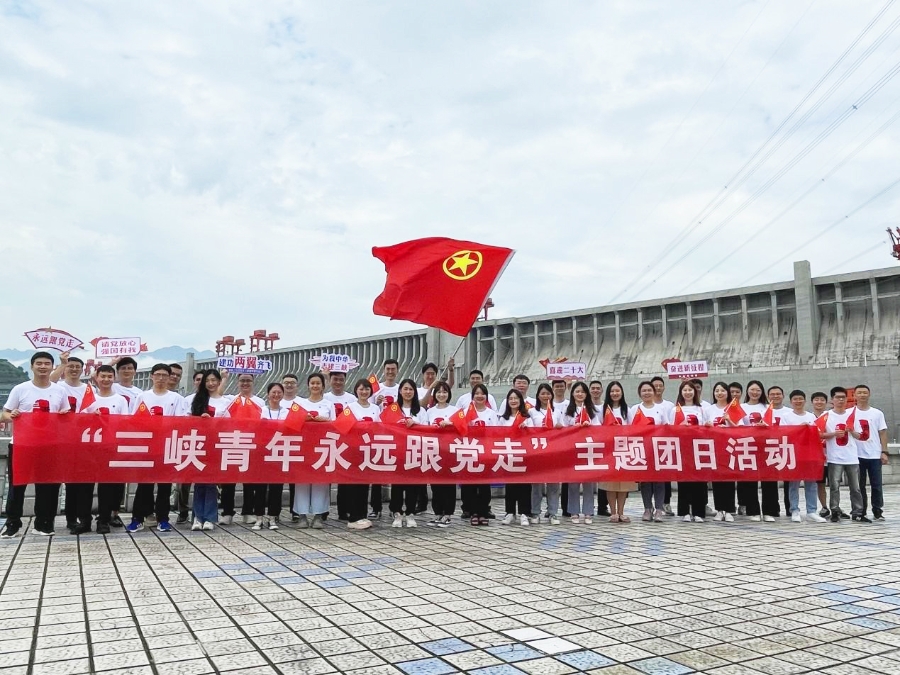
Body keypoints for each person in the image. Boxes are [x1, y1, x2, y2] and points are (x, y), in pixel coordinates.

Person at [0, 352, 71, 538]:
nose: (42, 366)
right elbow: (3, 414)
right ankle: (13, 524)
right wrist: (11, 415)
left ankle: (44, 523)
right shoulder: (20, 389)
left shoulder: (59, 391)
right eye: (38, 363)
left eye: (47, 363)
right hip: (22, 445)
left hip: (50, 446)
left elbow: (66, 415)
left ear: (52, 367)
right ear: (32, 366)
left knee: (48, 486)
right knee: (17, 486)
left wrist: (64, 415)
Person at [127, 363, 185, 533]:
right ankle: (137, 518)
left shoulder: (176, 398)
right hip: (146, 446)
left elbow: (180, 423)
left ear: (169, 378)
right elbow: (133, 420)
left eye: (164, 375)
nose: (161, 378)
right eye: (157, 374)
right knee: (144, 485)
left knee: (165, 486)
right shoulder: (142, 397)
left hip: (166, 446)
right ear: (152, 376)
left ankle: (163, 519)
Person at [81, 365, 131, 534]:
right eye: (103, 376)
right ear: (97, 377)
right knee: (86, 486)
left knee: (107, 486)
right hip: (89, 447)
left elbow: (126, 424)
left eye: (110, 376)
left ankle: (104, 519)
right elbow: (79, 422)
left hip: (111, 447)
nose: (106, 380)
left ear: (114, 378)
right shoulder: (89, 398)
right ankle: (85, 520)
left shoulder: (121, 400)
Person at [53, 354, 97, 534]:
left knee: (86, 482)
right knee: (70, 483)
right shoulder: (57, 387)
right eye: (70, 366)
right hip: (64, 441)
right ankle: (71, 518)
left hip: (85, 441)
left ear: (82, 369)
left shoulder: (88, 388)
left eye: (77, 366)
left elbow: (93, 412)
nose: (74, 369)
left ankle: (85, 518)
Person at [188, 370, 230, 531]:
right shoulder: (197, 399)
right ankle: (197, 517)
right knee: (199, 482)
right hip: (198, 443)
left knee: (211, 483)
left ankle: (210, 518)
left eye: (214, 380)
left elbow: (229, 424)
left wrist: (214, 423)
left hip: (216, 444)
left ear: (219, 382)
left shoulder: (226, 402)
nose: (211, 383)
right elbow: (186, 421)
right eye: (208, 380)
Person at [293, 373, 336, 529]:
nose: (315, 386)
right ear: (308, 385)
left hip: (323, 447)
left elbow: (336, 425)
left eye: (318, 383)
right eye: (312, 383)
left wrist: (325, 421)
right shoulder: (300, 403)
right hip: (303, 447)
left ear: (323, 386)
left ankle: (319, 516)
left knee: (321, 481)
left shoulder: (328, 404)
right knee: (301, 481)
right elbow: (292, 423)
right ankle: (302, 516)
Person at [220, 374, 264, 525]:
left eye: (248, 380)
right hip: (232, 443)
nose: (245, 383)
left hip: (251, 445)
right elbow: (217, 397)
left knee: (249, 481)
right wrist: (224, 378)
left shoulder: (260, 402)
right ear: (237, 382)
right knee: (228, 481)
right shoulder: (229, 399)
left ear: (253, 382)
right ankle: (227, 512)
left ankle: (248, 512)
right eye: (242, 380)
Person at [780, 390, 826, 523]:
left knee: (811, 483)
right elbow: (783, 433)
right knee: (793, 484)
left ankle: (812, 511)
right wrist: (799, 428)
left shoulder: (811, 416)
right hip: (794, 453)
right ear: (791, 401)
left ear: (805, 401)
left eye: (800, 399)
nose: (798, 401)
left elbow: (818, 434)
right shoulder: (786, 416)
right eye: (795, 399)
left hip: (810, 453)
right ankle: (794, 510)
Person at [389, 379, 429, 528]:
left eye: (411, 389)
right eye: (405, 389)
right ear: (400, 391)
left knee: (413, 485)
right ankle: (397, 513)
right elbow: (385, 426)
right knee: (397, 485)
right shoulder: (393, 409)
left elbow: (427, 429)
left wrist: (415, 424)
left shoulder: (421, 411)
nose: (408, 392)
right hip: (397, 452)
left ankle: (411, 513)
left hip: (415, 451)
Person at [821, 386, 864, 522]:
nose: (840, 400)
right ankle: (835, 510)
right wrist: (833, 434)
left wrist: (851, 431)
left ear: (847, 399)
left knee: (856, 487)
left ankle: (857, 512)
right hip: (834, 457)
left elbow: (859, 436)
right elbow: (819, 434)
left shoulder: (853, 415)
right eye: (837, 397)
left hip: (851, 457)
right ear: (832, 400)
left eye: (843, 397)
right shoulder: (826, 416)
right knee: (834, 486)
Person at [739, 380, 778, 522]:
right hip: (748, 446)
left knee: (769, 479)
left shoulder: (768, 407)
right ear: (747, 391)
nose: (755, 393)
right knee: (750, 480)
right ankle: (753, 510)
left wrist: (765, 427)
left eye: (758, 390)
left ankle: (769, 511)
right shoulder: (741, 407)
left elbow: (775, 426)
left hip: (766, 447)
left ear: (762, 392)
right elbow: (737, 426)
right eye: (752, 390)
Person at [111, 356, 143, 526]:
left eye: (130, 368)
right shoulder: (111, 387)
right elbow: (96, 375)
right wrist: (112, 360)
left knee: (119, 477)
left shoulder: (139, 393)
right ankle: (103, 512)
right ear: (117, 371)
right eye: (123, 368)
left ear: (135, 372)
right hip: (109, 437)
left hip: (128, 438)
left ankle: (114, 512)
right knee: (104, 477)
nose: (126, 371)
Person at [324, 369, 359, 521]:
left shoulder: (351, 399)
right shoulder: (325, 398)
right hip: (328, 441)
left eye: (341, 379)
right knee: (325, 477)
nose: (338, 382)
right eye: (335, 379)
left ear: (345, 381)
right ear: (330, 380)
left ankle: (344, 510)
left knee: (346, 478)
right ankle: (323, 511)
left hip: (347, 442)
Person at [346, 379, 380, 530]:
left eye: (367, 389)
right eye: (361, 389)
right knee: (354, 485)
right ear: (356, 390)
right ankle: (353, 517)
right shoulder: (350, 407)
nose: (364, 392)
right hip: (354, 449)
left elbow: (379, 427)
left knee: (365, 484)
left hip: (369, 450)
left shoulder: (375, 408)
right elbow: (344, 427)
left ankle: (362, 515)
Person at [369, 359, 401, 519]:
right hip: (379, 434)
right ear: (384, 370)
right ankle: (376, 507)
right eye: (388, 369)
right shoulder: (376, 388)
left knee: (395, 473)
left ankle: (395, 507)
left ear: (397, 370)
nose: (390, 372)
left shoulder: (401, 388)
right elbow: (366, 406)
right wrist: (376, 401)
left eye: (393, 369)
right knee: (376, 473)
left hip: (396, 435)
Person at [253, 382, 288, 531]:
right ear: (268, 394)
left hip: (279, 452)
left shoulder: (286, 412)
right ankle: (259, 518)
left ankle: (273, 517)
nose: (276, 395)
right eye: (273, 392)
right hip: (262, 452)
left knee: (276, 487)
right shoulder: (260, 410)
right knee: (260, 487)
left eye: (279, 392)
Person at [563, 382, 599, 524]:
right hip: (573, 450)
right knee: (573, 483)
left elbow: (599, 429)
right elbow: (563, 430)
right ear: (572, 393)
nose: (580, 394)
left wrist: (588, 427)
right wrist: (574, 427)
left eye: (582, 392)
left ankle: (589, 512)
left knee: (589, 483)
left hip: (589, 450)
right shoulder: (568, 411)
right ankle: (574, 511)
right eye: (577, 391)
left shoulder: (592, 410)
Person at [599, 381, 636, 522]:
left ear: (622, 393)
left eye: (617, 391)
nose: (615, 394)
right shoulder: (603, 410)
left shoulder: (628, 409)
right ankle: (613, 512)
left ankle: (621, 512)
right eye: (612, 391)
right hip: (609, 450)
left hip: (624, 449)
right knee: (610, 482)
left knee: (624, 482)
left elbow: (633, 428)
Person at [631, 381, 667, 522]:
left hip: (659, 448)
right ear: (640, 393)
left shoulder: (661, 408)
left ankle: (659, 509)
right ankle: (647, 508)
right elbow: (629, 428)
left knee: (659, 480)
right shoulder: (635, 409)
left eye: (649, 390)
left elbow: (666, 426)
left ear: (654, 392)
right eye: (644, 390)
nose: (646, 393)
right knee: (645, 480)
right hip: (642, 448)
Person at [672, 381, 707, 523]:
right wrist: (679, 426)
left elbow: (706, 425)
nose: (687, 392)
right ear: (681, 392)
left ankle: (699, 511)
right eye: (684, 390)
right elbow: (670, 428)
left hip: (699, 448)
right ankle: (684, 511)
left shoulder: (702, 409)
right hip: (682, 448)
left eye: (690, 390)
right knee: (684, 481)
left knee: (699, 480)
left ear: (695, 392)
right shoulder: (676, 410)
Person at [852, 384, 888, 522]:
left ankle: (877, 510)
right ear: (854, 395)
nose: (862, 395)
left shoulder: (877, 413)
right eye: (859, 393)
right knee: (858, 486)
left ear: (869, 394)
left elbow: (883, 432)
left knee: (877, 484)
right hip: (856, 455)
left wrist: (884, 452)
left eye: (864, 392)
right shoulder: (850, 413)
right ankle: (861, 510)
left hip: (874, 454)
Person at [425, 381, 458, 527]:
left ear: (448, 394)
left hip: (449, 451)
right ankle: (438, 513)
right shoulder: (429, 411)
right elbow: (424, 430)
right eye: (438, 392)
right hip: (433, 451)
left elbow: (460, 428)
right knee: (435, 484)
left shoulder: (455, 410)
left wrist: (451, 425)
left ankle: (448, 513)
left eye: (444, 392)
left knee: (449, 484)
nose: (441, 394)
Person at [498, 389, 532, 526]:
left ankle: (524, 513)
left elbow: (535, 435)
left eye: (516, 398)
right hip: (508, 455)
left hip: (524, 455)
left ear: (520, 400)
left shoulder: (527, 417)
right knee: (510, 485)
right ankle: (510, 512)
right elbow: (497, 435)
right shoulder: (502, 418)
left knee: (524, 485)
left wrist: (527, 429)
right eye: (510, 398)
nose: (513, 401)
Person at [529, 383, 562, 524]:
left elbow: (565, 429)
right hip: (537, 453)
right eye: (542, 393)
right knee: (536, 485)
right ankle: (535, 513)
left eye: (548, 393)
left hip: (554, 452)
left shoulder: (557, 411)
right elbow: (528, 430)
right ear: (538, 396)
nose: (545, 396)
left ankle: (553, 512)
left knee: (553, 485)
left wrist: (560, 427)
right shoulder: (531, 412)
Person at [466, 384, 498, 526]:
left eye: (482, 393)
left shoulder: (491, 413)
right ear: (473, 396)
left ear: (486, 396)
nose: (479, 396)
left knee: (485, 486)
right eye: (477, 393)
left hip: (486, 454)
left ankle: (484, 512)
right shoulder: (466, 412)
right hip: (471, 452)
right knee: (472, 486)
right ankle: (473, 513)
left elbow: (497, 433)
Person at [176, 370, 205, 523]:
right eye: (198, 379)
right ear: (194, 382)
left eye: (203, 379)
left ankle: (201, 512)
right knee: (184, 482)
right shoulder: (187, 400)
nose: (200, 382)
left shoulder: (215, 399)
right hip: (188, 442)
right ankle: (183, 510)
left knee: (205, 481)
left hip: (207, 444)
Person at [705, 381, 736, 522]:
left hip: (730, 447)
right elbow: (702, 427)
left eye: (723, 390)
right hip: (715, 448)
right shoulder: (709, 409)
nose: (720, 393)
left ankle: (729, 509)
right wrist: (708, 426)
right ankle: (719, 510)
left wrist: (729, 420)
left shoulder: (734, 408)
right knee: (717, 480)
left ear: (727, 392)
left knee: (729, 479)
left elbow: (740, 428)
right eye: (717, 390)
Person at [650, 375, 675, 515]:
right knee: (650, 477)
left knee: (665, 476)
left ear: (664, 387)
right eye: (655, 386)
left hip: (665, 445)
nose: (658, 388)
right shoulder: (641, 406)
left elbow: (671, 425)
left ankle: (666, 503)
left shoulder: (669, 405)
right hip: (648, 446)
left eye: (660, 385)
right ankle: (650, 505)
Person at [811, 391, 832, 517]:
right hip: (817, 457)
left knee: (834, 484)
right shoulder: (809, 417)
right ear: (812, 402)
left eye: (822, 400)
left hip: (832, 456)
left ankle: (836, 506)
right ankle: (824, 507)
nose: (819, 402)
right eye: (816, 399)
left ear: (826, 402)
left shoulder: (831, 416)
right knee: (820, 483)